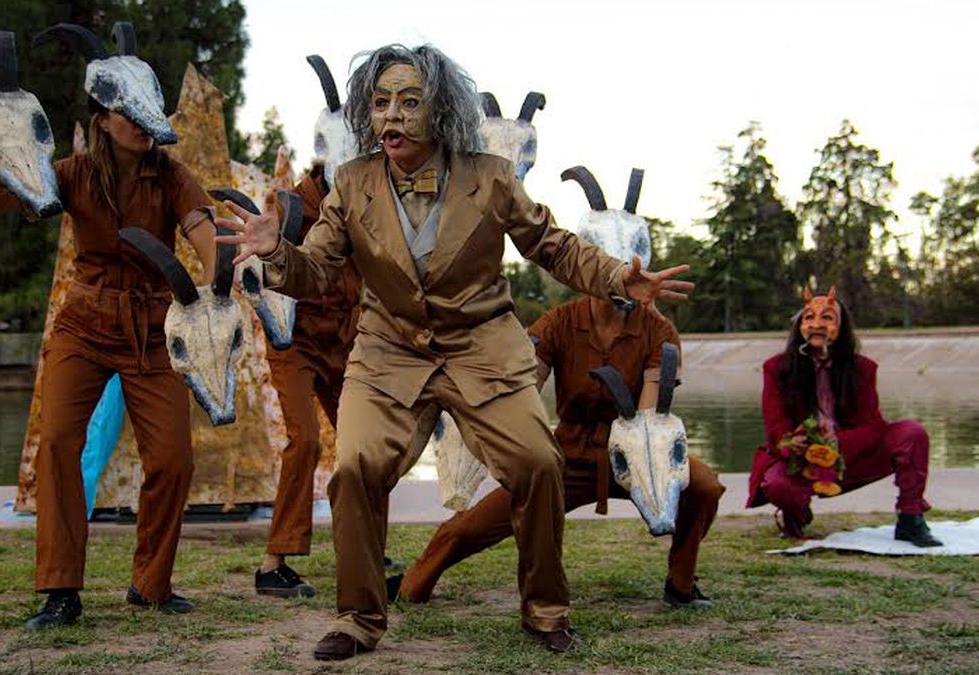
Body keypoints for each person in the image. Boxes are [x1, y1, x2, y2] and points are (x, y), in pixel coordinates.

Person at [217, 44, 693, 660]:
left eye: (409, 102)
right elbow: (315, 271)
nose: (392, 116)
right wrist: (277, 253)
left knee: (538, 464)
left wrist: (617, 279)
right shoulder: (353, 181)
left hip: (482, 350)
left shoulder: (490, 176)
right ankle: (359, 616)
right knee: (356, 469)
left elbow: (554, 246)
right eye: (382, 102)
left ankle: (546, 609)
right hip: (387, 353)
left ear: (440, 111)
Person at [0, 22, 219, 629]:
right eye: (123, 113)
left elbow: (202, 233)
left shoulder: (172, 175)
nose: (137, 123)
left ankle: (150, 584)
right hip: (83, 323)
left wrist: (215, 292)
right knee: (57, 443)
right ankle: (61, 591)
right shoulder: (75, 172)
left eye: (143, 112)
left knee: (174, 461)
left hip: (153, 326)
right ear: (102, 118)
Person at [396, 296, 726, 611]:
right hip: (566, 455)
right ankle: (413, 583)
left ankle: (681, 584)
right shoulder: (559, 320)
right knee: (470, 528)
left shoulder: (658, 329)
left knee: (703, 485)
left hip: (630, 458)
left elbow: (647, 420)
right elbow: (523, 386)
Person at [747, 287, 942, 547]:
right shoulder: (776, 368)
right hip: (801, 458)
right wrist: (792, 444)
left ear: (841, 326)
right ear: (799, 327)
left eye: (827, 318)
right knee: (778, 485)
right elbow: (775, 426)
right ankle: (796, 514)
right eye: (809, 318)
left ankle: (911, 518)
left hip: (849, 455)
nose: (817, 325)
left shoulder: (863, 368)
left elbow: (872, 425)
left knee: (911, 433)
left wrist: (834, 445)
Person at [254, 161, 364, 599]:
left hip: (344, 342)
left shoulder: (364, 199)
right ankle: (273, 563)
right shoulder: (291, 207)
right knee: (306, 440)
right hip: (295, 343)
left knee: (365, 443)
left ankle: (365, 543)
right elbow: (265, 272)